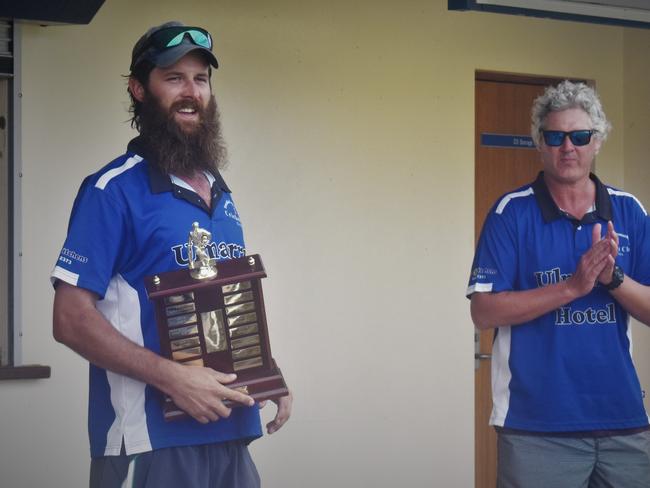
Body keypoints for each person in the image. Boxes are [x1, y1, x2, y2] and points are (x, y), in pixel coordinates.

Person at [51, 21, 292, 488]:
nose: (191, 91)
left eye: (200, 79)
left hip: (231, 435)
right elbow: (69, 319)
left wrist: (264, 371)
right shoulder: (111, 190)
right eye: (174, 78)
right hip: (151, 444)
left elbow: (218, 304)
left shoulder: (218, 190)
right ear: (138, 89)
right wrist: (173, 379)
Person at [467, 80, 650, 488]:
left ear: (597, 141)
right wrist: (571, 288)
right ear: (540, 143)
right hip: (536, 427)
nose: (568, 147)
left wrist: (613, 279)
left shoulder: (629, 211)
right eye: (555, 136)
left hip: (623, 422)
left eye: (580, 136)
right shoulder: (510, 214)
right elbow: (483, 311)